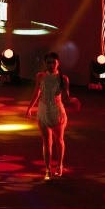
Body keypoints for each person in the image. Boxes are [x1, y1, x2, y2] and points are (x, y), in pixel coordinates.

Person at [26, 52, 79, 180]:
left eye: (53, 62)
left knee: (59, 140)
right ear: (45, 63)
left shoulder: (63, 78)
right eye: (48, 62)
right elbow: (36, 93)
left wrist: (74, 101)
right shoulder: (40, 76)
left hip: (57, 112)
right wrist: (29, 108)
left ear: (58, 63)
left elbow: (66, 97)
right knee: (46, 142)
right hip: (43, 111)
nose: (51, 65)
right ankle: (48, 169)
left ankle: (60, 165)